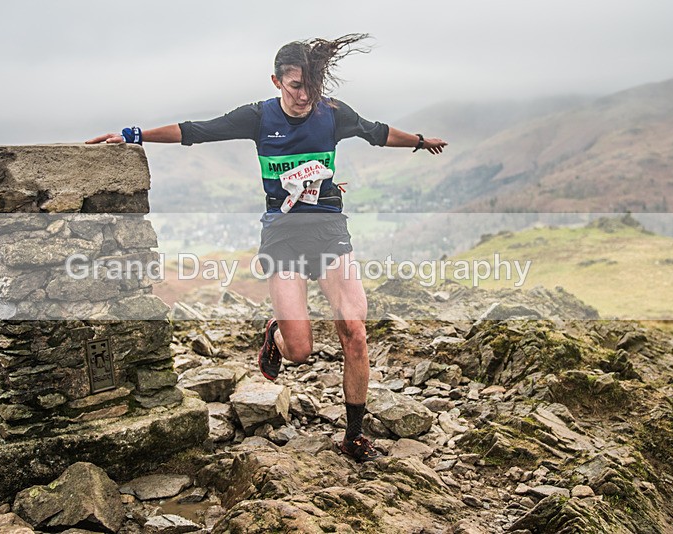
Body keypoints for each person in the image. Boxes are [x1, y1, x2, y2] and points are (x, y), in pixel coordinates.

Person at [87, 34, 447, 462]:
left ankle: (353, 436)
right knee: (300, 350)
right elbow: (196, 131)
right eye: (294, 85)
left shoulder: (333, 114)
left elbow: (378, 132)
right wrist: (133, 134)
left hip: (329, 228)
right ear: (276, 81)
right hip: (282, 233)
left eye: (310, 86)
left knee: (354, 330)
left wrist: (421, 140)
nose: (303, 95)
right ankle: (275, 335)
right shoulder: (258, 117)